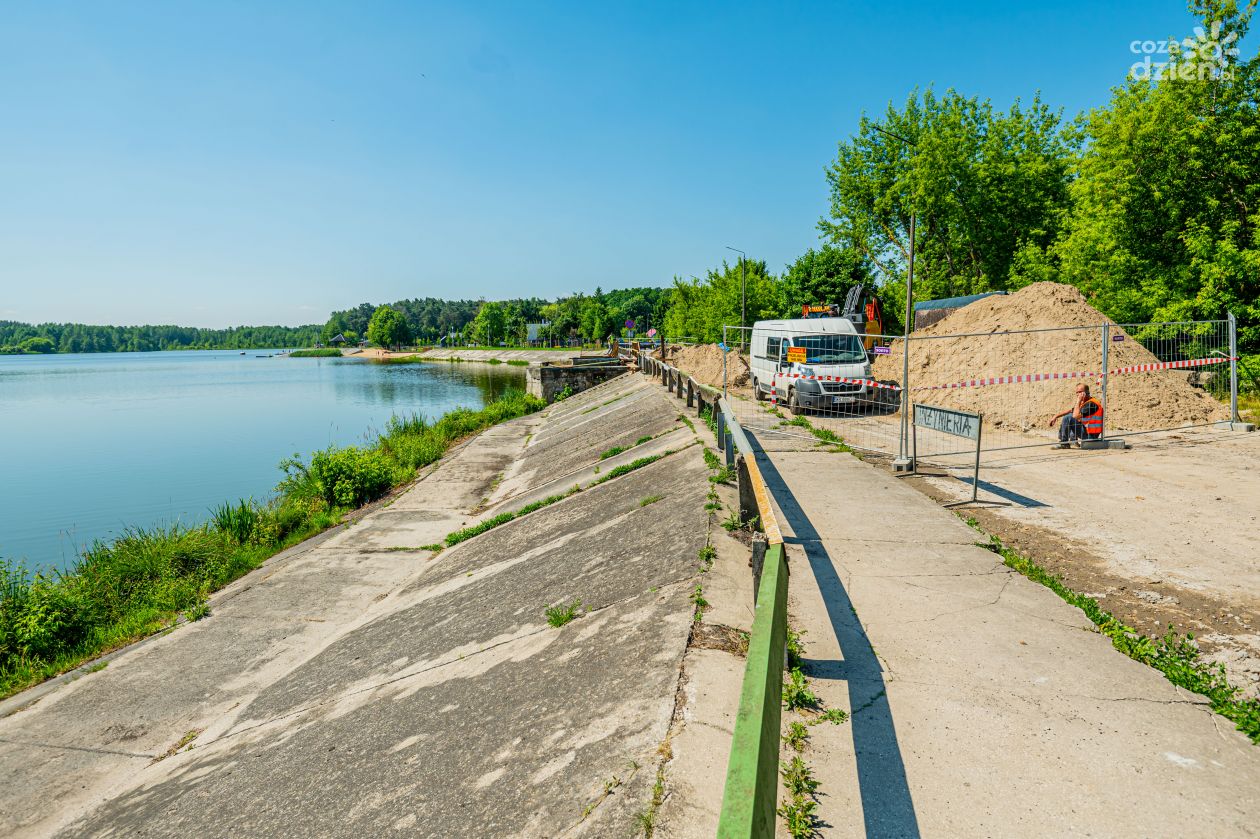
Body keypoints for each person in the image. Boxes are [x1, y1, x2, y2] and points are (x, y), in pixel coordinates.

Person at [1050, 383, 1103, 448]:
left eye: (1080, 392)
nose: (1078, 394)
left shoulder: (1091, 404)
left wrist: (1078, 401)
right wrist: (1056, 416)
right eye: (1077, 392)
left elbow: (1075, 416)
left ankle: (1064, 443)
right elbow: (1070, 411)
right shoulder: (1084, 403)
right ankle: (1073, 441)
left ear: (1086, 392)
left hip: (1091, 436)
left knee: (1068, 417)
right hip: (1087, 432)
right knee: (1069, 415)